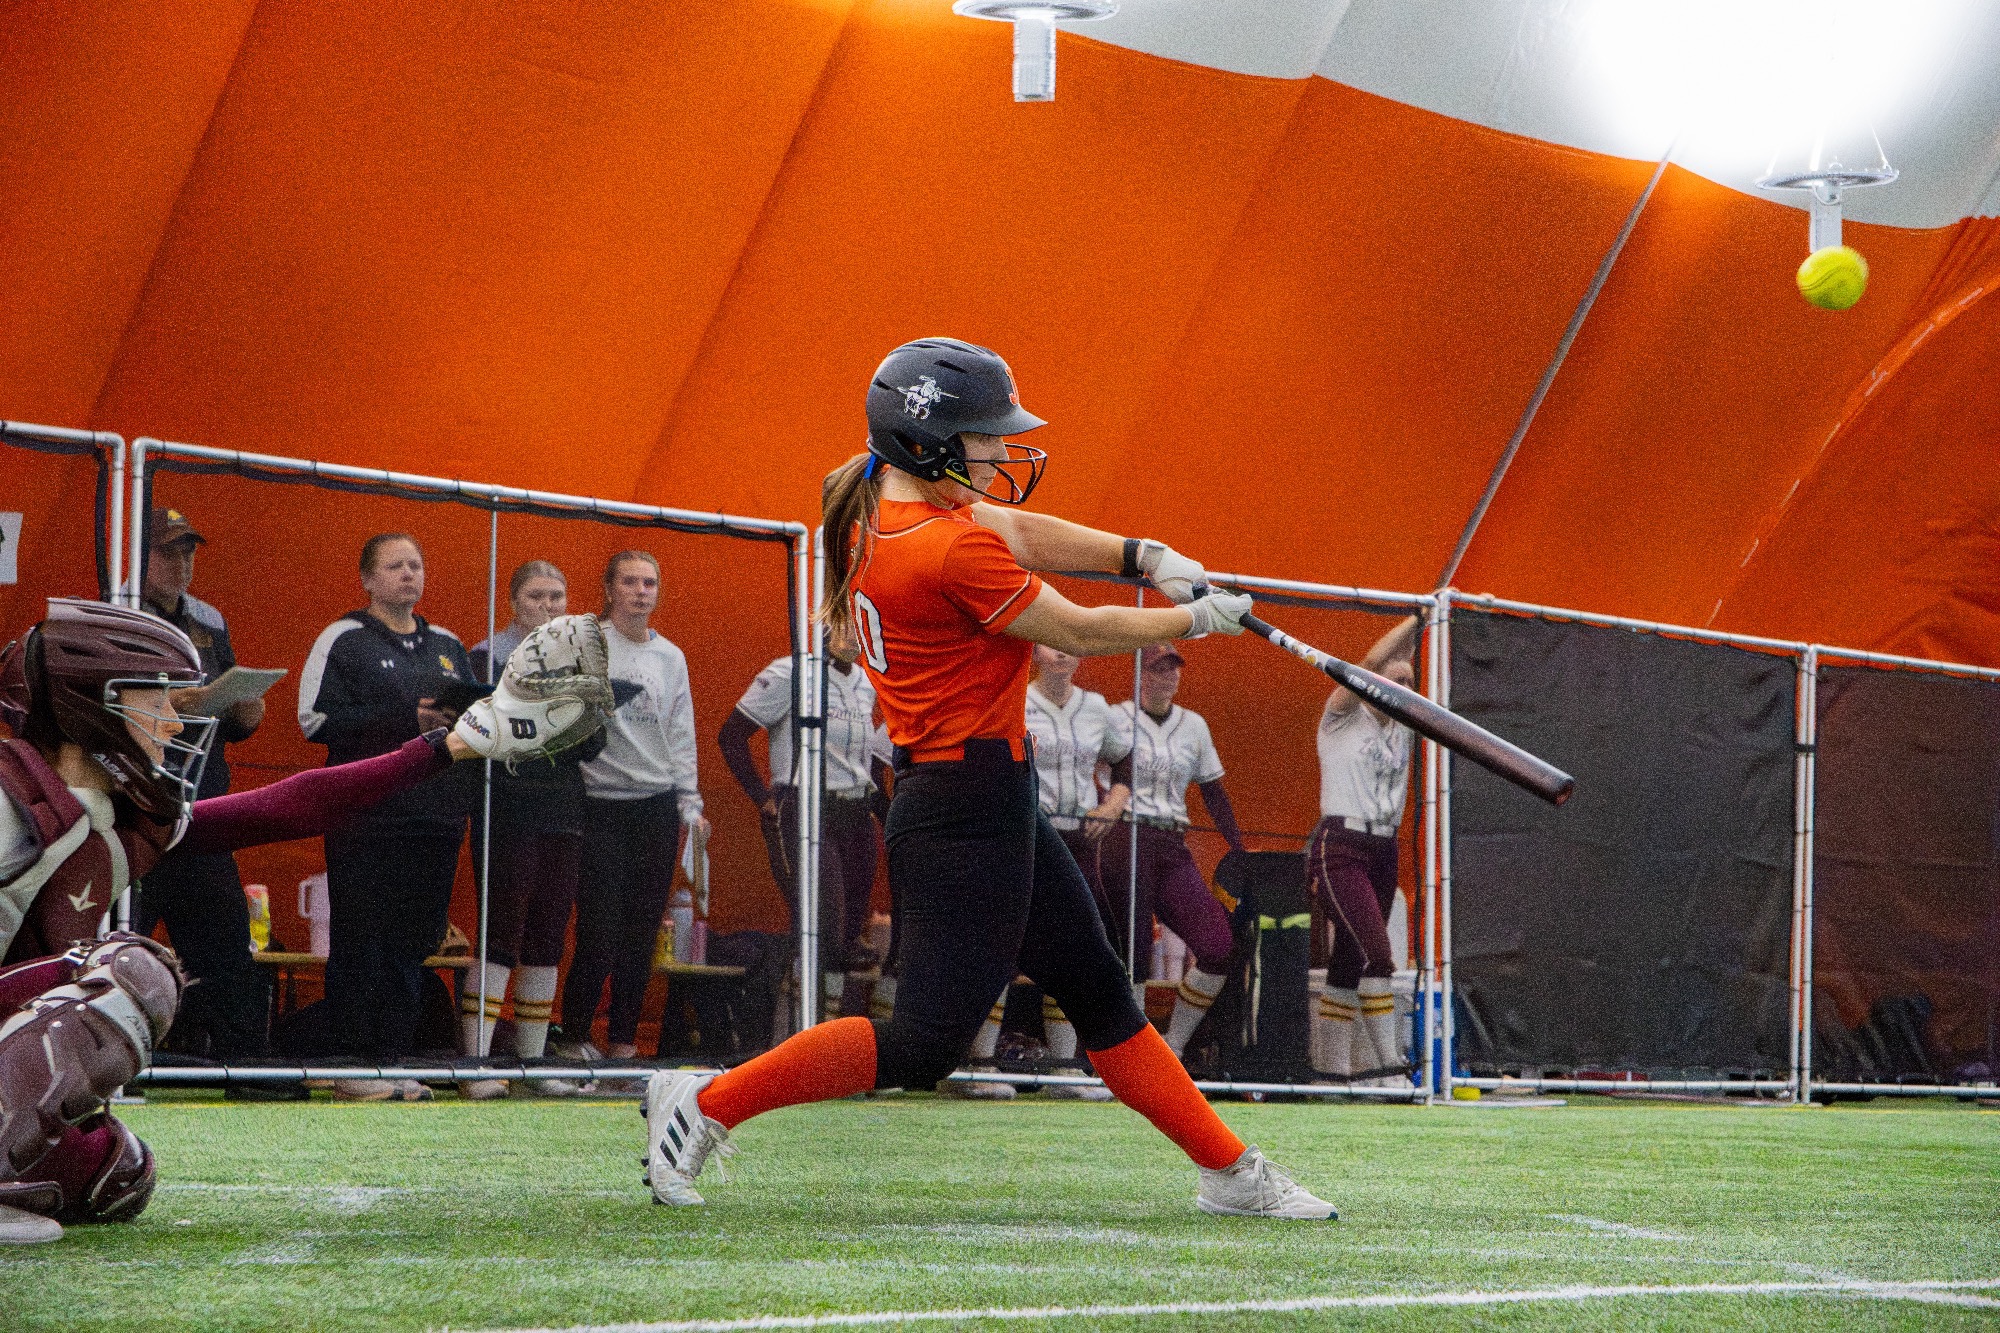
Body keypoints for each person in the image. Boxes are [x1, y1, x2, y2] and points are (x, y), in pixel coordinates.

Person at [639, 336, 1334, 1219]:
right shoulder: (940, 549)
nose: (1003, 452)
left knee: (1097, 991)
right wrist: (1191, 616)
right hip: (964, 810)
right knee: (924, 1042)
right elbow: (1075, 630)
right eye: (984, 437)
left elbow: (1015, 528)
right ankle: (703, 1102)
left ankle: (1230, 1170)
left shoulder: (875, 506)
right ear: (928, 445)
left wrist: (1144, 552)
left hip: (983, 798)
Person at [0, 597, 608, 1244]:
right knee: (131, 973)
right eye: (161, 703)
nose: (177, 726)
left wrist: (448, 746)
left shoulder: (116, 818)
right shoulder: (13, 804)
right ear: (92, 704)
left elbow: (292, 807)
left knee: (116, 1172)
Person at [298, 533, 476, 1100]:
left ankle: (396, 1059)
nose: (409, 574)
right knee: (362, 936)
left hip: (434, 815)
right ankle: (353, 1063)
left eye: (416, 564)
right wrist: (407, 717)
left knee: (412, 941)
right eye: (395, 565)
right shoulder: (343, 639)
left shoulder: (448, 644)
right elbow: (315, 721)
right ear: (368, 579)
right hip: (366, 814)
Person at [457, 560, 604, 1099]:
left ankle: (535, 1063)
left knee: (547, 936)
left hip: (564, 809)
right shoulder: (486, 656)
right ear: (514, 602)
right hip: (508, 807)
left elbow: (594, 743)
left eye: (558, 597)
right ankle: (476, 1064)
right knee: (502, 932)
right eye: (537, 596)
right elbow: (476, 735)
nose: (549, 606)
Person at [559, 551, 709, 1064]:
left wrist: (690, 803)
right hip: (599, 803)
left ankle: (624, 1042)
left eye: (650, 582)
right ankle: (576, 1035)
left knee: (642, 931)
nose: (641, 591)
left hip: (656, 806)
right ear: (608, 589)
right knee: (598, 929)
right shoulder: (587, 645)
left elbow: (681, 731)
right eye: (630, 582)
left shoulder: (671, 657)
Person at [963, 644, 1130, 1102]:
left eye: (1069, 646)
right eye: (1051, 645)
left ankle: (1066, 1068)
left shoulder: (1096, 707)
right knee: (1004, 945)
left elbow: (1123, 759)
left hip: (1079, 840)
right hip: (1024, 835)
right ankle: (980, 1064)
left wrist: (1114, 802)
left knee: (1078, 947)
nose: (1062, 654)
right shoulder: (1013, 698)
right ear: (1033, 651)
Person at [133, 507, 272, 1058]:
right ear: (136, 555)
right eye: (169, 551)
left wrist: (246, 708)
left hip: (203, 805)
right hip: (136, 804)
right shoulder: (113, 611)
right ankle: (115, 1064)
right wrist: (179, 703)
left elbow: (235, 726)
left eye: (188, 551)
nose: (182, 563)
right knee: (125, 937)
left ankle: (245, 1068)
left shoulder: (210, 620)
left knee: (226, 941)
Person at [720, 643, 888, 1017]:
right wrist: (763, 797)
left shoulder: (866, 679)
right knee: (822, 928)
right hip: (804, 806)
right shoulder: (790, 672)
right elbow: (731, 736)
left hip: (856, 813)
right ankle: (796, 1043)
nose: (853, 638)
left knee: (845, 942)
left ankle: (821, 1043)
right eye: (841, 623)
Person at [1101, 643, 1247, 1059]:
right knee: (1133, 952)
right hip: (1125, 837)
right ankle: (1128, 1054)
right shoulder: (1116, 718)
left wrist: (1237, 847)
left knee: (1217, 945)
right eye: (1158, 669)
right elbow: (1089, 771)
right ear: (1139, 674)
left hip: (1171, 840)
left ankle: (1172, 1046)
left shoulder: (1193, 725)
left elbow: (1213, 790)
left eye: (1173, 669)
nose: (1168, 677)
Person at [1308, 616, 1419, 1083]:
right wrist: (1419, 615)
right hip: (1342, 842)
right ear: (1374, 682)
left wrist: (1417, 643)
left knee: (1351, 956)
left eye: (1410, 684)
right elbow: (1371, 661)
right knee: (1379, 951)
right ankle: (1388, 1068)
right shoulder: (1341, 716)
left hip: (1384, 844)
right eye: (1395, 683)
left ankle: (1332, 1072)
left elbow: (1400, 663)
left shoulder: (1406, 725)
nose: (1403, 691)